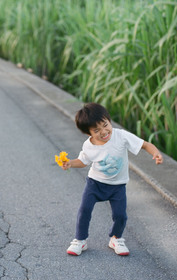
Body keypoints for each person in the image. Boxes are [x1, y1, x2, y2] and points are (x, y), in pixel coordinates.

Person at [60, 103, 163, 256]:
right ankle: (80, 240)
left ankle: (116, 238)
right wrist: (70, 163)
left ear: (108, 120)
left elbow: (144, 144)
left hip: (117, 186)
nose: (104, 131)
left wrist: (155, 153)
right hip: (94, 184)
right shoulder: (88, 146)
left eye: (105, 125)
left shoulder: (121, 136)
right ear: (88, 133)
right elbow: (83, 161)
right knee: (84, 210)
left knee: (120, 215)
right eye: (96, 130)